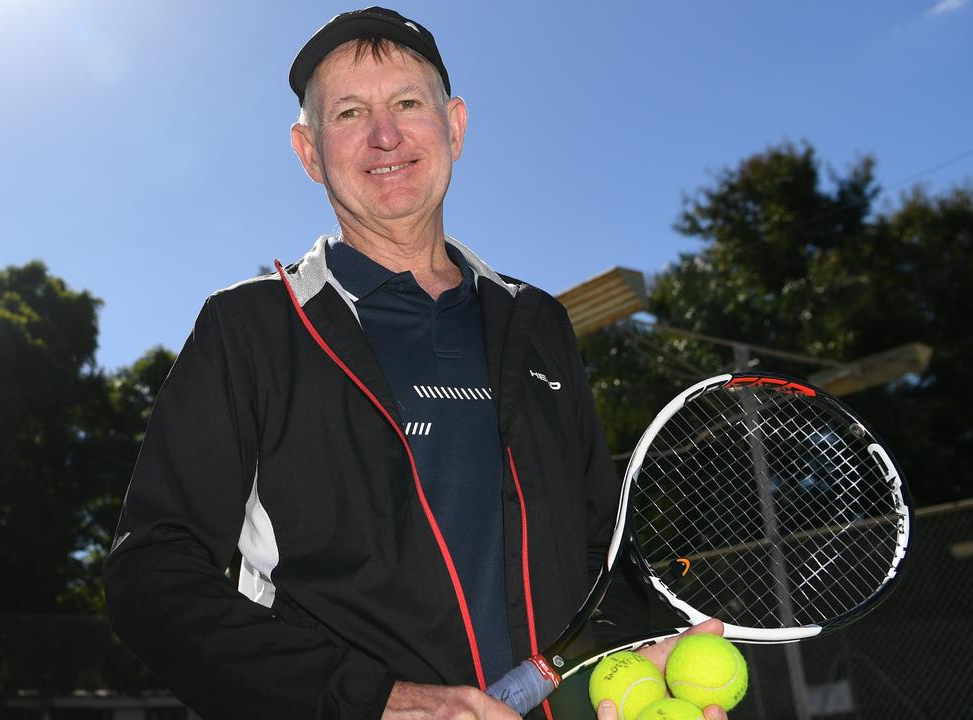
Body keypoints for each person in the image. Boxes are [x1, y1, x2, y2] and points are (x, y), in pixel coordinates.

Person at [105, 7, 729, 720]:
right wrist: (377, 702)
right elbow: (150, 576)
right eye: (349, 113)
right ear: (309, 152)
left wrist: (640, 656)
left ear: (455, 127)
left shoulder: (539, 324)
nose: (385, 135)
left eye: (407, 103)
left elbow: (598, 556)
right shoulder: (250, 328)